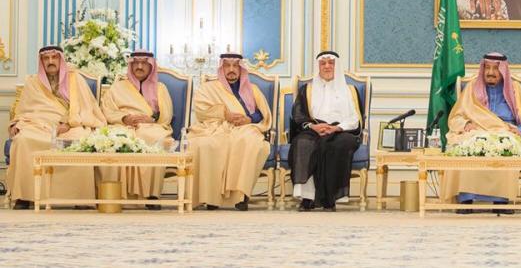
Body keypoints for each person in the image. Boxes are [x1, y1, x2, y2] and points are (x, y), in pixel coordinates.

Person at [442, 53, 521, 208]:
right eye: (487, 68)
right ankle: (466, 198)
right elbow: (456, 117)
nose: (490, 72)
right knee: (468, 146)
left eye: (495, 69)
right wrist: (465, 124)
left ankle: (501, 199)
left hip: (505, 131)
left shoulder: (515, 89)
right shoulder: (472, 88)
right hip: (477, 130)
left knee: (506, 145)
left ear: (503, 71)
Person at [7, 46, 106, 209]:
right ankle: (25, 196)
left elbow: (86, 107)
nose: (50, 61)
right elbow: (24, 110)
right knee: (23, 140)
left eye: (54, 58)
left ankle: (79, 197)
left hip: (71, 125)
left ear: (61, 60)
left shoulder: (75, 79)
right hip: (39, 124)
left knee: (80, 141)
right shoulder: (33, 82)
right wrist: (17, 124)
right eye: (46, 58)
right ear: (41, 62)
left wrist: (68, 123)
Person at [187, 53, 272, 210]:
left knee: (250, 142)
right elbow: (201, 111)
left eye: (235, 66)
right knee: (206, 144)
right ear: (221, 68)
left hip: (246, 127)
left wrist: (249, 119)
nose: (231, 69)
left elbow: (263, 113)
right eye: (227, 66)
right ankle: (211, 198)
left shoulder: (252, 89)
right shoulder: (208, 88)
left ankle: (241, 195)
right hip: (218, 126)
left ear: (241, 69)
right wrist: (224, 114)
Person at [288, 51, 362, 211]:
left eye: (331, 63)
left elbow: (355, 119)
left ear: (337, 66)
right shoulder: (307, 89)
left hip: (341, 131)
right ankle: (307, 198)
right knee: (302, 143)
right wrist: (313, 126)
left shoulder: (350, 90)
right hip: (314, 129)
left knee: (340, 145)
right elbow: (298, 115)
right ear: (318, 67)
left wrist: (337, 127)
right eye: (323, 63)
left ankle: (330, 198)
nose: (327, 66)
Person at [101, 50, 175, 208]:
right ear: (130, 65)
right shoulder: (117, 87)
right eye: (136, 63)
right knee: (117, 139)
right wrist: (124, 118)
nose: (139, 66)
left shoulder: (160, 88)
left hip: (151, 126)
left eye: (144, 63)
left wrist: (152, 119)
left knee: (154, 139)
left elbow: (167, 114)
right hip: (123, 125)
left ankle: (150, 195)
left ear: (151, 66)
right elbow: (107, 110)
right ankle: (119, 195)